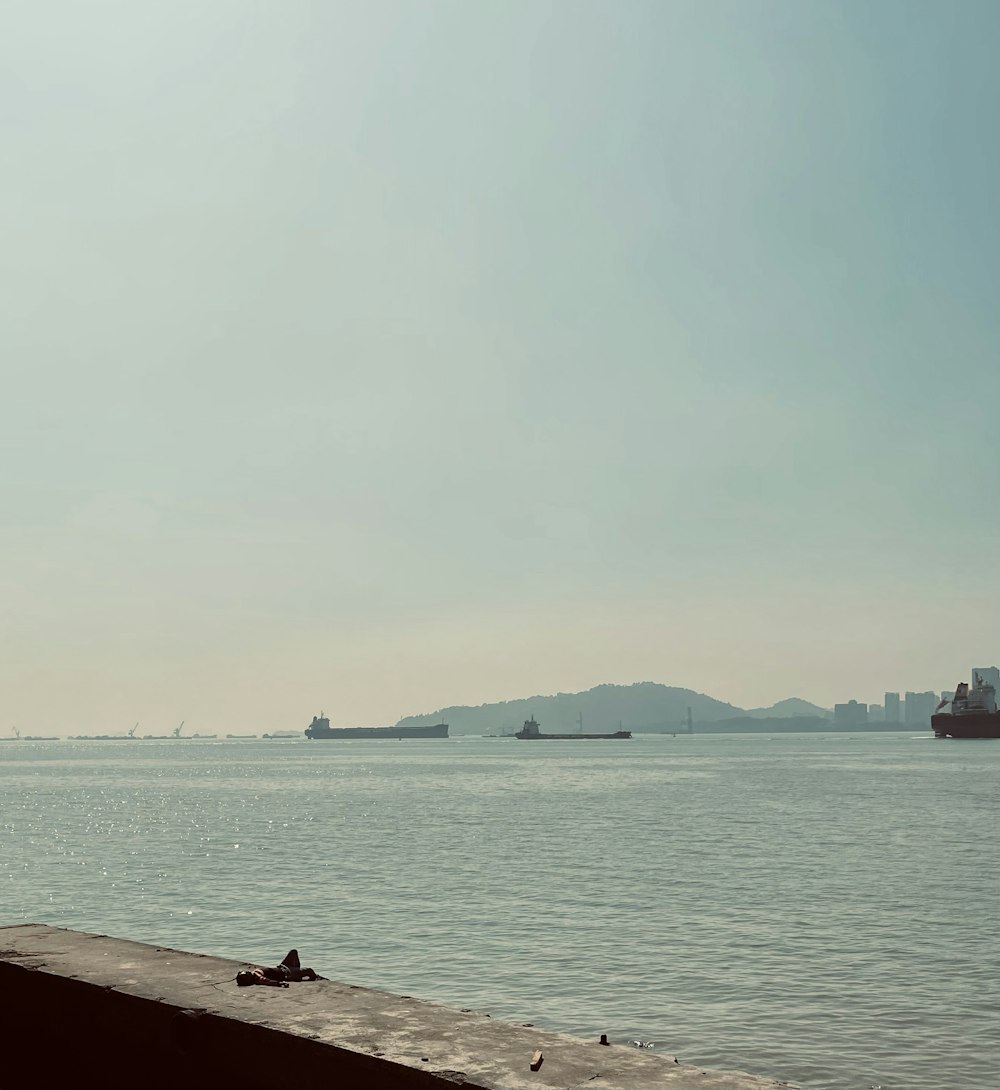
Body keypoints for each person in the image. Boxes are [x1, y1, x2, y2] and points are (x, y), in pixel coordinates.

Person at [236, 949, 321, 986]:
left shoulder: (255, 974)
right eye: (247, 974)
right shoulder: (257, 977)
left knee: (293, 952)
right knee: (309, 971)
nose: (249, 973)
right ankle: (305, 975)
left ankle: (297, 971)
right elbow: (267, 981)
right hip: (287, 973)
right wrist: (279, 983)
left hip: (283, 967)